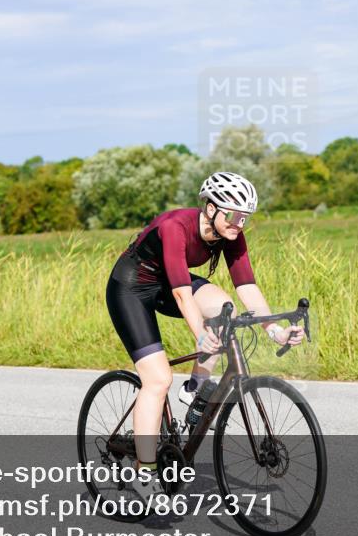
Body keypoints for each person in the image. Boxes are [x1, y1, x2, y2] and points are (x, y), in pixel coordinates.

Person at [105, 172, 305, 497]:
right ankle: (144, 472)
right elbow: (183, 296)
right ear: (211, 208)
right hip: (131, 289)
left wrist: (275, 331)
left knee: (225, 307)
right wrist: (201, 335)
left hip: (168, 285)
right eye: (234, 214)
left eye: (245, 217)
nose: (239, 223)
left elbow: (247, 287)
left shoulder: (231, 234)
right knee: (157, 380)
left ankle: (195, 387)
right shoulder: (175, 227)